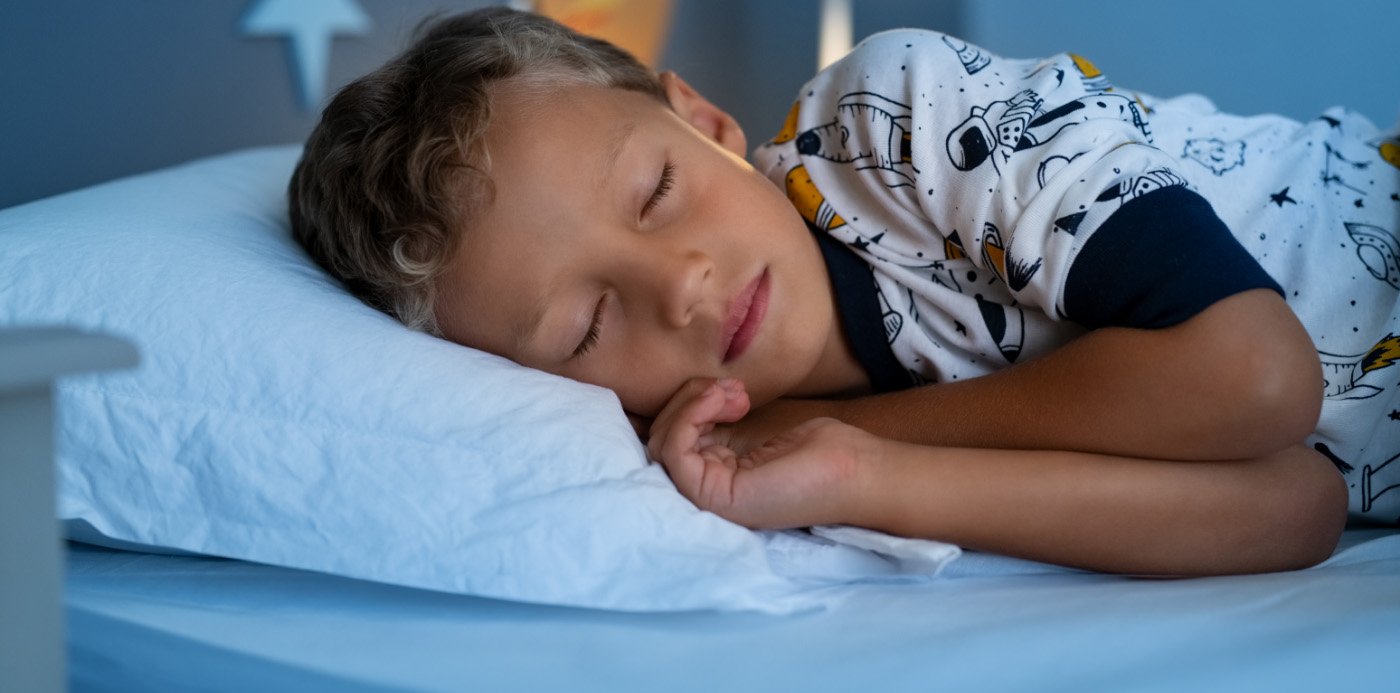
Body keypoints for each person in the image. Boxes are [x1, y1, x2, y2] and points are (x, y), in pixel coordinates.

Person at [289, 7, 1400, 576]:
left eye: (657, 191)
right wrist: (862, 474)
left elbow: (1256, 377)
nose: (678, 286)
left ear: (705, 122)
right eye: (585, 327)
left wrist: (857, 432)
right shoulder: (755, 458)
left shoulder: (891, 117)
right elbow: (1291, 504)